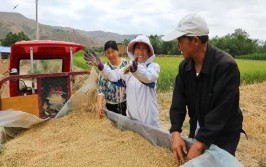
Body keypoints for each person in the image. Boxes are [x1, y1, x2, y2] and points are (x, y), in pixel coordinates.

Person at [161, 14, 243, 163]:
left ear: (196, 40)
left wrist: (199, 145)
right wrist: (175, 132)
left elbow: (221, 112)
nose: (178, 45)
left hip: (224, 134)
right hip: (198, 128)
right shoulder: (185, 67)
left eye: (180, 40)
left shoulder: (225, 67)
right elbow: (178, 101)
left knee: (219, 163)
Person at [84, 35, 160, 127]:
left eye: (144, 48)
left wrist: (135, 70)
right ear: (133, 51)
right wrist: (100, 66)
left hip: (149, 120)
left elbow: (148, 77)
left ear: (149, 51)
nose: (140, 51)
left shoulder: (153, 67)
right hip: (132, 120)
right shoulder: (128, 68)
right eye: (137, 48)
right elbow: (114, 76)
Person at [97, 40, 128, 118]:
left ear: (117, 51)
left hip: (127, 103)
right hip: (111, 105)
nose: (111, 55)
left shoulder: (126, 64)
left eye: (113, 51)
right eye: (108, 52)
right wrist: (100, 105)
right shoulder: (104, 68)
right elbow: (101, 89)